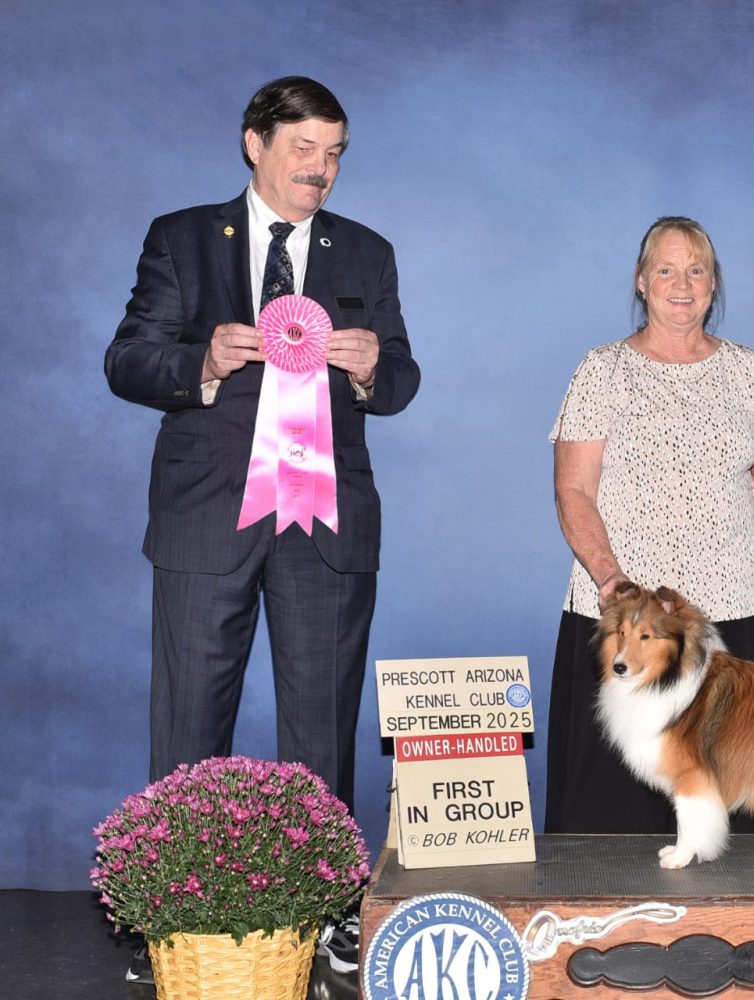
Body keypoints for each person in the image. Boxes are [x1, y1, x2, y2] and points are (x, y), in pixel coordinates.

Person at [105, 77, 419, 977]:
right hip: (207, 513)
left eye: (334, 153)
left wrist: (368, 370)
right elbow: (127, 358)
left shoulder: (368, 252)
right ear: (256, 145)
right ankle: (165, 921)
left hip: (326, 521)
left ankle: (324, 921)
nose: (320, 170)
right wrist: (198, 360)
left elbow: (401, 379)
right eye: (303, 150)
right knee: (189, 726)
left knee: (322, 729)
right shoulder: (183, 238)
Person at [545, 216, 754, 835]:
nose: (681, 283)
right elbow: (573, 488)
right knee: (606, 810)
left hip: (730, 612)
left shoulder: (749, 371)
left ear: (713, 285)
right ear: (641, 280)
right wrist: (611, 579)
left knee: (734, 783)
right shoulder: (602, 369)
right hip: (622, 616)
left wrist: (707, 515)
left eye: (696, 270)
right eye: (666, 269)